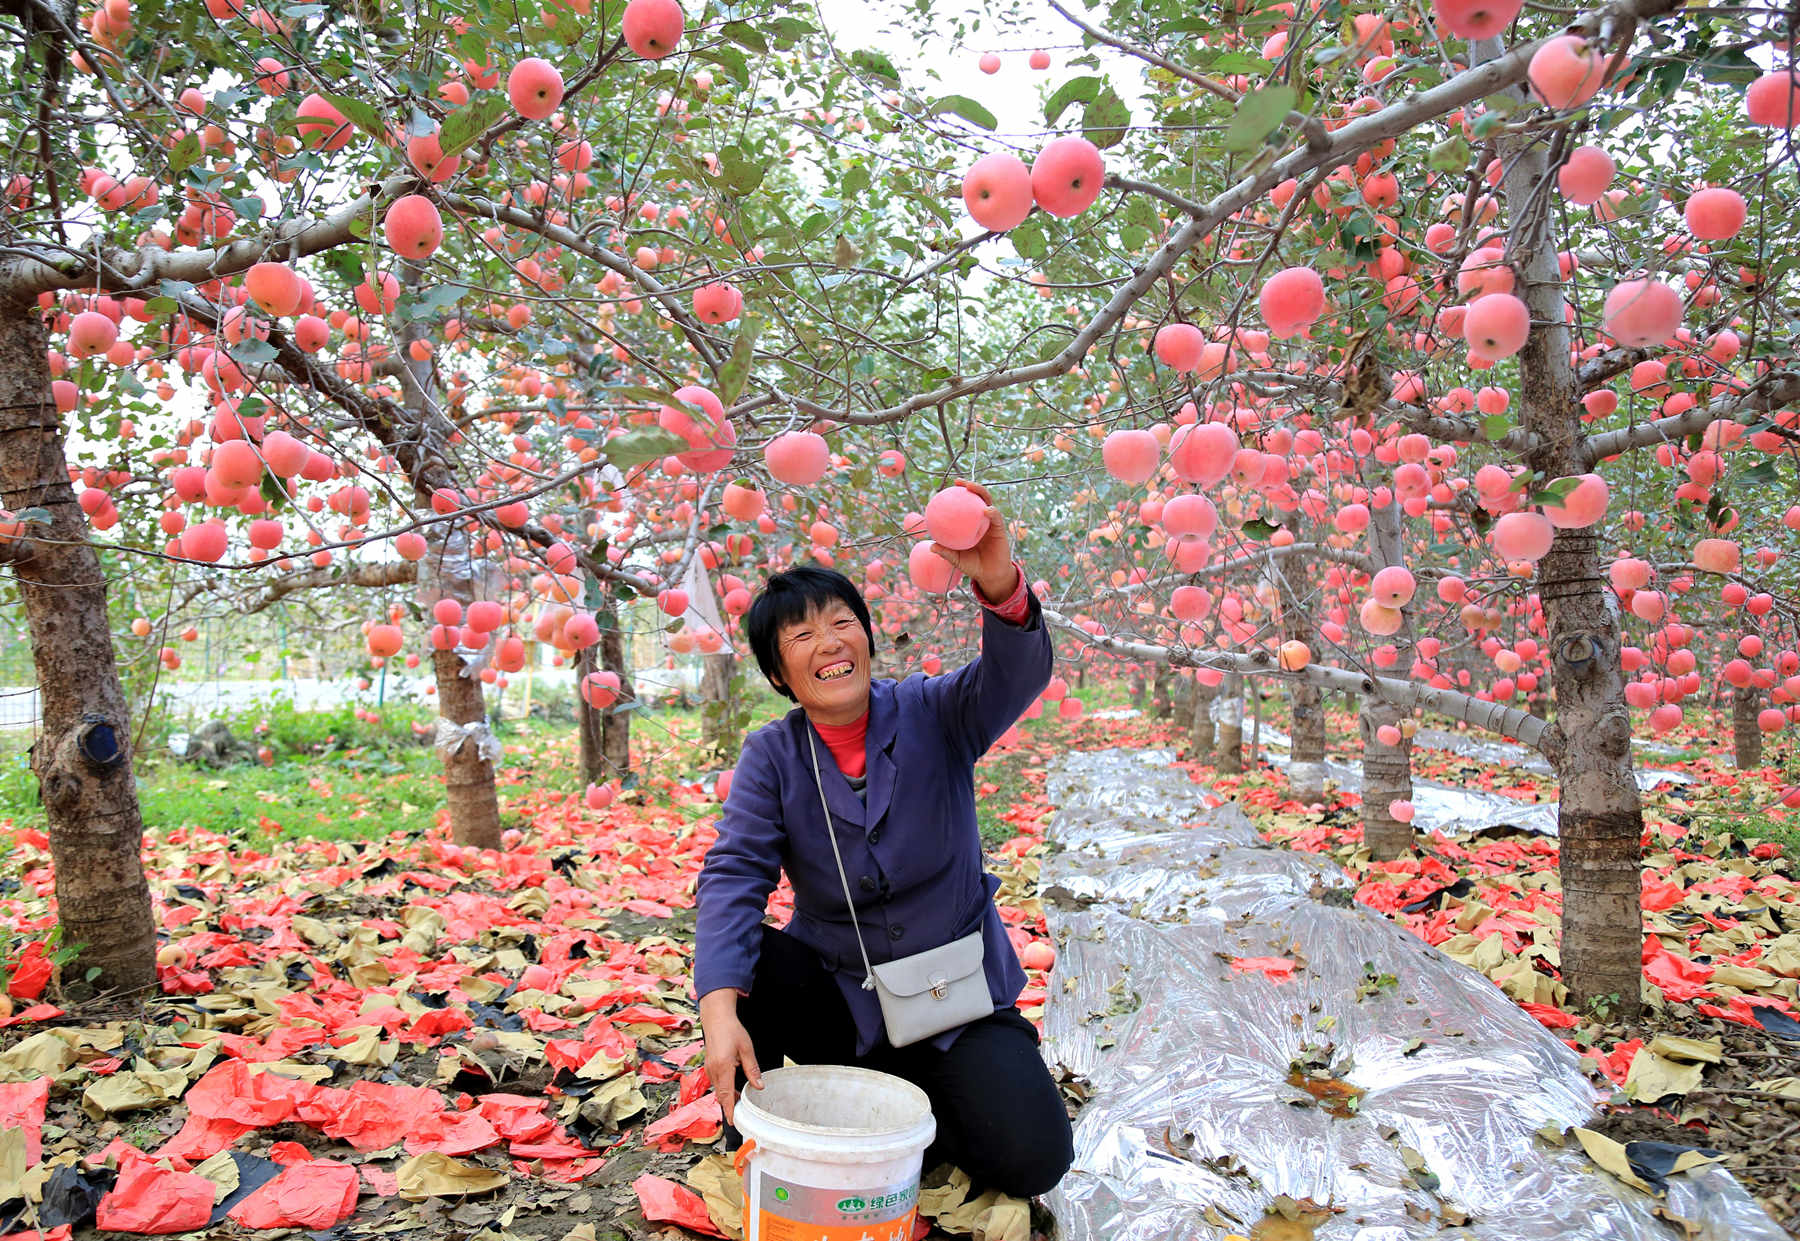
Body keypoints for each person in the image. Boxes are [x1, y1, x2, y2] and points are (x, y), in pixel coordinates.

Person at [694, 480, 1075, 1200]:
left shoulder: (936, 712)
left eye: (841, 622)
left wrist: (997, 581)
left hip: (956, 1004)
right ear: (780, 672)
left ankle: (915, 1118)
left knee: (1033, 1160)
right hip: (844, 1005)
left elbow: (1015, 673)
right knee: (747, 959)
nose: (829, 643)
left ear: (867, 635)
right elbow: (734, 874)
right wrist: (718, 1012)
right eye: (802, 634)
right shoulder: (773, 756)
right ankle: (758, 1132)